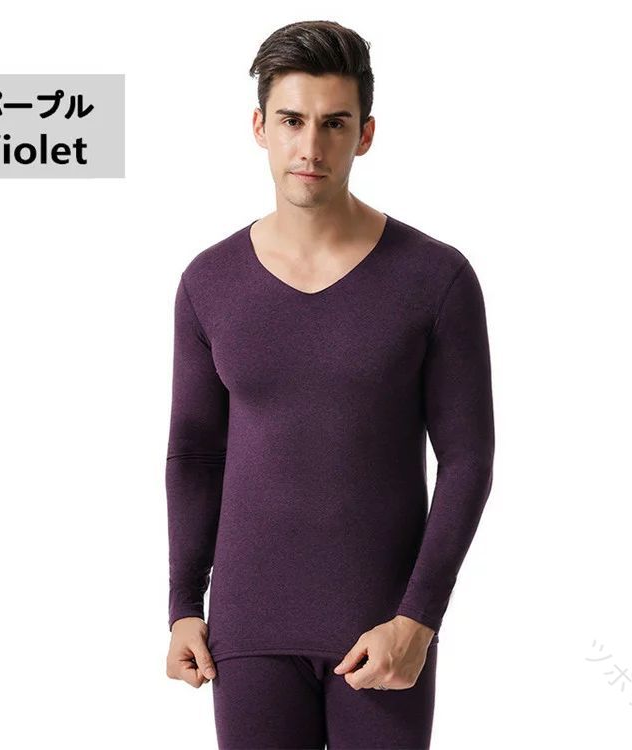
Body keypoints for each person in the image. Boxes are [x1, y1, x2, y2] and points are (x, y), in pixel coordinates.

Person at [164, 19, 495, 749]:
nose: (310, 147)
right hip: (248, 634)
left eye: (334, 123)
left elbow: (468, 460)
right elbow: (194, 453)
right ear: (260, 127)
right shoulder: (209, 283)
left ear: (365, 134)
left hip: (382, 633)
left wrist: (418, 620)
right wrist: (184, 604)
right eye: (291, 121)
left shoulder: (435, 279)